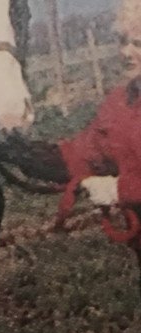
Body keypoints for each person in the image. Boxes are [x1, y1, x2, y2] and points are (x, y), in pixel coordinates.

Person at [55, 0, 141, 248]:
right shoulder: (120, 102)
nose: (125, 52)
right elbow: (87, 153)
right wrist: (24, 153)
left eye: (138, 43)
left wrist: (122, 190)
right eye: (122, 41)